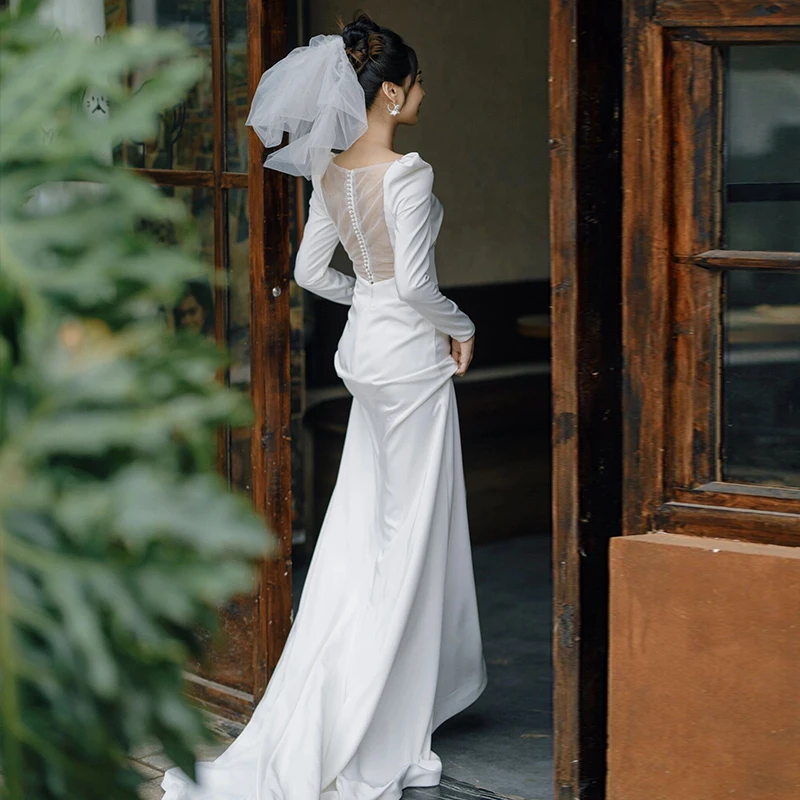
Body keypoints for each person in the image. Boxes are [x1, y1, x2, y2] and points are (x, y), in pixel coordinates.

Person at [161, 12, 487, 800]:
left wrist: (366, 301)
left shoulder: (331, 172)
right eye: (415, 85)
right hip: (408, 361)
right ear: (394, 93)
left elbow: (315, 273)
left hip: (365, 356)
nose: (421, 96)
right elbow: (414, 283)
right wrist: (461, 325)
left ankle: (367, 678)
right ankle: (377, 703)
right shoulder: (409, 175)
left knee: (366, 524)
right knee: (409, 532)